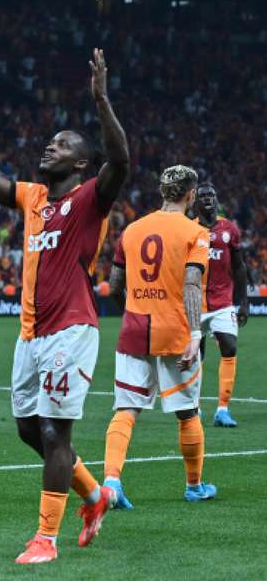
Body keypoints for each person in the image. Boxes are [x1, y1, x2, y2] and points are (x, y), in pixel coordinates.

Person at [0, 48, 129, 564]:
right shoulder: (33, 197)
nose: (48, 148)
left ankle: (44, 541)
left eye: (61, 146)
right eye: (49, 143)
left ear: (79, 163)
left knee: (55, 431)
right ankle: (95, 496)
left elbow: (120, 160)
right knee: (29, 428)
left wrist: (101, 99)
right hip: (30, 333)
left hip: (72, 328)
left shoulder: (92, 197)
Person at [103, 165, 216, 510]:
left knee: (126, 409)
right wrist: (196, 332)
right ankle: (194, 486)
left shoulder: (133, 230)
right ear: (190, 195)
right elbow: (192, 284)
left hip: (135, 329)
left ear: (161, 192)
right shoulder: (195, 232)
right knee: (187, 411)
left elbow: (115, 287)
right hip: (176, 332)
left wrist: (135, 309)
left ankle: (111, 482)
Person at [193, 182, 249, 427]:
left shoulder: (229, 229)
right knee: (196, 355)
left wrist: (243, 301)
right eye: (202, 195)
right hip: (194, 302)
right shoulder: (188, 229)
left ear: (217, 199)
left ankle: (222, 410)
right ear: (195, 201)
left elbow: (239, 266)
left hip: (223, 302)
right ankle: (194, 407)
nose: (207, 198)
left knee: (230, 346)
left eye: (211, 195)